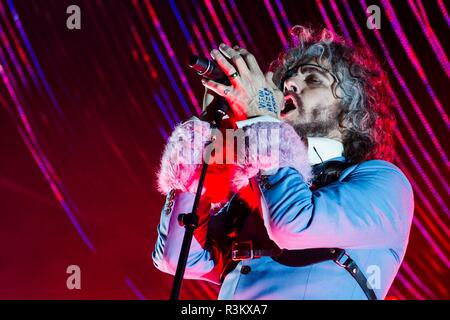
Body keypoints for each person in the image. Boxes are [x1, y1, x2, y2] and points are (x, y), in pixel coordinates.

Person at [152, 25, 414, 300]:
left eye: (313, 79)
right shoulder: (258, 185)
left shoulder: (385, 184)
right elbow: (175, 257)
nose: (289, 84)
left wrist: (262, 120)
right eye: (287, 79)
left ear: (350, 118)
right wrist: (215, 135)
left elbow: (293, 223)